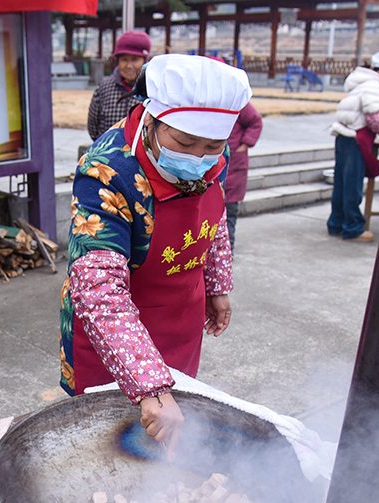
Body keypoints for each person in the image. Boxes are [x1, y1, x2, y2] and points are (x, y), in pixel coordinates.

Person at [60, 54, 251, 459]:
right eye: (184, 143)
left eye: (212, 146)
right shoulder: (107, 171)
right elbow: (99, 291)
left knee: (172, 428)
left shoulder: (214, 158)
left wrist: (216, 284)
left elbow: (213, 220)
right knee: (106, 440)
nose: (199, 159)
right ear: (150, 118)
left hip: (181, 314)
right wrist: (149, 385)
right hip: (117, 328)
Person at [328, 48, 379, 242]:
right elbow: (375, 119)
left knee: (342, 184)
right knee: (352, 186)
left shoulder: (362, 81)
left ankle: (336, 222)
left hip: (345, 136)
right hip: (356, 138)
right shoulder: (374, 86)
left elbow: (377, 115)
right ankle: (353, 227)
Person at [87, 30, 151, 141]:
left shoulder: (152, 90)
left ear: (145, 61)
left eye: (135, 60)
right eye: (124, 60)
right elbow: (93, 127)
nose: (129, 65)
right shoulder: (104, 87)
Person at [224, 101, 263, 252]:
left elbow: (256, 121)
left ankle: (228, 247)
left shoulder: (238, 102)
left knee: (230, 209)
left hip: (234, 161)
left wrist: (245, 144)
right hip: (214, 160)